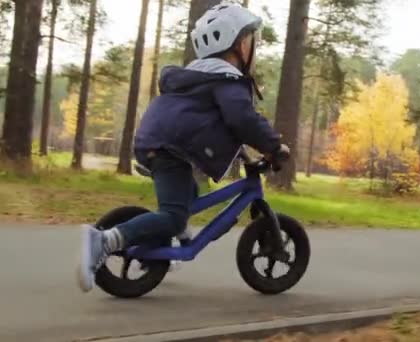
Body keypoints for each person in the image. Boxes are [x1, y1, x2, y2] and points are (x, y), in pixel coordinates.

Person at [76, 2, 289, 293]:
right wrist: (273, 147)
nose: (256, 47)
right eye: (253, 41)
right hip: (168, 150)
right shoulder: (227, 81)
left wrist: (247, 153)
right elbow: (243, 120)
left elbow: (218, 127)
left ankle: (170, 236)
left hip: (159, 144)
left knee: (189, 194)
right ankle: (106, 241)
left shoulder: (200, 77)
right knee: (174, 214)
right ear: (240, 44)